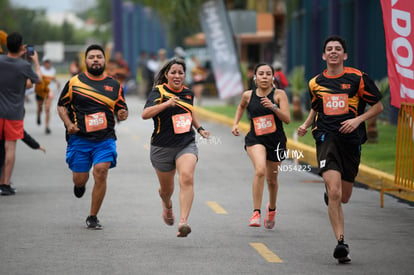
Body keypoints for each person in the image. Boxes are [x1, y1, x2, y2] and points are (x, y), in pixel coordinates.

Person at [297, 35, 383, 263]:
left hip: (351, 141)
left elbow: (378, 106)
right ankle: (341, 243)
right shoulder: (315, 82)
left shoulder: (358, 78)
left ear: (344, 55)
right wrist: (306, 124)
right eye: (329, 49)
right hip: (326, 138)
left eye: (337, 49)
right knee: (335, 193)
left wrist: (357, 120)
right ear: (324, 56)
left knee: (343, 196)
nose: (333, 52)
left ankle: (332, 194)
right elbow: (316, 107)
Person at [57, 44, 128, 229]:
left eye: (99, 56)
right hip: (79, 139)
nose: (95, 59)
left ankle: (93, 216)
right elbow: (61, 106)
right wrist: (69, 124)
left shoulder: (114, 85)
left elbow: (122, 107)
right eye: (91, 57)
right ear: (85, 61)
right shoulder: (75, 82)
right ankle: (80, 185)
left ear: (104, 60)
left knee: (101, 172)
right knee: (80, 179)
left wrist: (123, 113)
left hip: (105, 139)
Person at [142, 58, 210, 237]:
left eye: (181, 72)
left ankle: (183, 222)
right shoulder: (159, 91)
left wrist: (199, 128)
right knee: (166, 191)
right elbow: (145, 114)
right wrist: (166, 103)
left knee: (186, 178)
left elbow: (189, 110)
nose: (177, 76)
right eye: (173, 72)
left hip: (185, 143)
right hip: (161, 147)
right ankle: (167, 205)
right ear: (166, 74)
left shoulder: (188, 92)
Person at [232, 63, 290, 229]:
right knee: (260, 170)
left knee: (272, 180)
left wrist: (273, 107)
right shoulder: (248, 95)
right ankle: (256, 212)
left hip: (276, 141)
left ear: (273, 77)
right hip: (255, 139)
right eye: (261, 74)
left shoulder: (279, 95)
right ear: (255, 78)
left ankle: (271, 209)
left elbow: (287, 119)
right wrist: (235, 123)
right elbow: (241, 106)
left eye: (268, 74)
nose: (264, 77)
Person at [0, 32, 41, 196]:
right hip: (13, 114)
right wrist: (36, 62)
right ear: (22, 48)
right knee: (10, 148)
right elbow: (37, 80)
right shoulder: (23, 66)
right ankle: (5, 184)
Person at [35, 56, 60, 134]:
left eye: (48, 62)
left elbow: (54, 78)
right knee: (40, 108)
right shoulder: (40, 70)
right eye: (46, 62)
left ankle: (47, 126)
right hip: (40, 91)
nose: (47, 64)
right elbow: (38, 78)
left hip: (49, 92)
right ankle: (38, 115)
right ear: (43, 63)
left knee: (47, 109)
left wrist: (57, 82)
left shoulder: (53, 70)